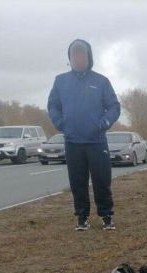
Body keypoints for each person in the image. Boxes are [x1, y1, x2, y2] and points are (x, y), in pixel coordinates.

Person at [47, 39, 120, 231]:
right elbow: (53, 106)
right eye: (74, 55)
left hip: (96, 140)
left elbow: (114, 106)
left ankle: (106, 215)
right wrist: (61, 123)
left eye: (82, 54)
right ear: (69, 58)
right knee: (77, 182)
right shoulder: (61, 81)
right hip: (73, 141)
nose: (78, 58)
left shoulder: (101, 81)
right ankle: (82, 217)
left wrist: (104, 123)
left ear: (89, 57)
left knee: (102, 180)